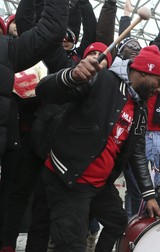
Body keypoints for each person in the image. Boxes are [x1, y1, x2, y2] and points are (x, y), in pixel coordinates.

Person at [35, 45, 160, 252]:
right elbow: (44, 91)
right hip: (70, 178)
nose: (159, 89)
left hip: (99, 185)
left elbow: (137, 153)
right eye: (159, 82)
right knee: (72, 246)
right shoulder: (101, 79)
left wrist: (149, 195)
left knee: (117, 223)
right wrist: (71, 75)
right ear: (145, 71)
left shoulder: (141, 110)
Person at [0, 0, 68, 250]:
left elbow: (44, 29)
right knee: (14, 195)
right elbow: (33, 24)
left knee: (42, 199)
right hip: (18, 140)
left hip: (45, 140)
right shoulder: (12, 52)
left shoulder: (54, 57)